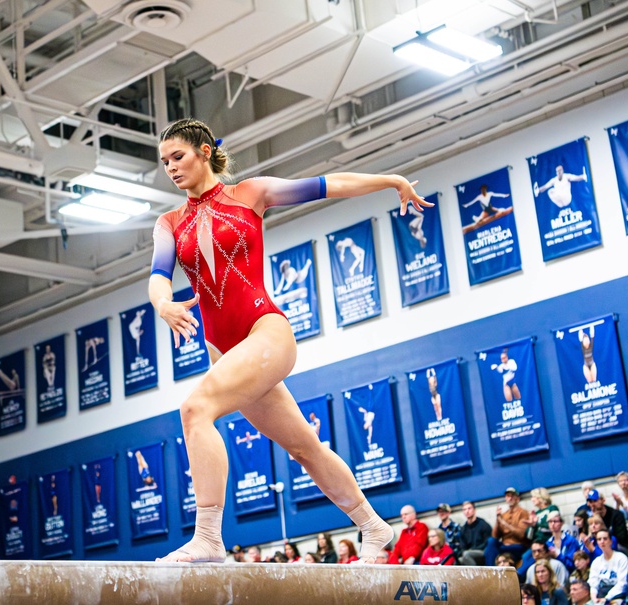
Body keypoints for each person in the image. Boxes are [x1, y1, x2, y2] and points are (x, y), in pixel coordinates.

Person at [149, 118, 423, 562]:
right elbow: (159, 276)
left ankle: (208, 538)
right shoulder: (169, 222)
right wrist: (163, 304)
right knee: (303, 447)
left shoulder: (250, 194)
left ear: (203, 150)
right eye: (164, 162)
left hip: (265, 332)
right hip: (225, 352)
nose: (171, 168)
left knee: (195, 410)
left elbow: (330, 184)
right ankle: (373, 527)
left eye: (177, 156)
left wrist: (390, 180)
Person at [486, 487, 532, 565]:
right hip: (504, 546)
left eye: (512, 496)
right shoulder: (504, 514)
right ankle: (491, 570)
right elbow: (495, 536)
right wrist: (498, 519)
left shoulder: (523, 513)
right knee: (491, 542)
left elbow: (521, 535)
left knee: (495, 550)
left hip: (518, 545)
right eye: (507, 496)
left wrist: (504, 523)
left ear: (517, 499)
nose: (510, 498)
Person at [589, 529, 628, 604]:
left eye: (605, 539)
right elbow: (593, 585)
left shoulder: (621, 558)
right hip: (600, 595)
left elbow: (622, 584)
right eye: (599, 539)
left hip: (617, 596)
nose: (602, 541)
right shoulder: (596, 562)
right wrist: (594, 599)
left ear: (611, 541)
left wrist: (606, 599)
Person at [589, 490, 628, 557]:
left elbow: (621, 538)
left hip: (621, 548)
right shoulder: (592, 518)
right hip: (601, 547)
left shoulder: (616, 515)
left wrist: (601, 524)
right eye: (590, 502)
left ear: (603, 500)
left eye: (595, 501)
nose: (592, 504)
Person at [459, 500, 494, 565]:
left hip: (483, 551)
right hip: (468, 553)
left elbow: (487, 543)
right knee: (458, 560)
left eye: (469, 508)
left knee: (466, 555)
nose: (467, 511)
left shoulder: (483, 525)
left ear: (474, 510)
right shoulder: (463, 529)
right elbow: (462, 546)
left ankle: (476, 574)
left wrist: (471, 550)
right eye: (464, 509)